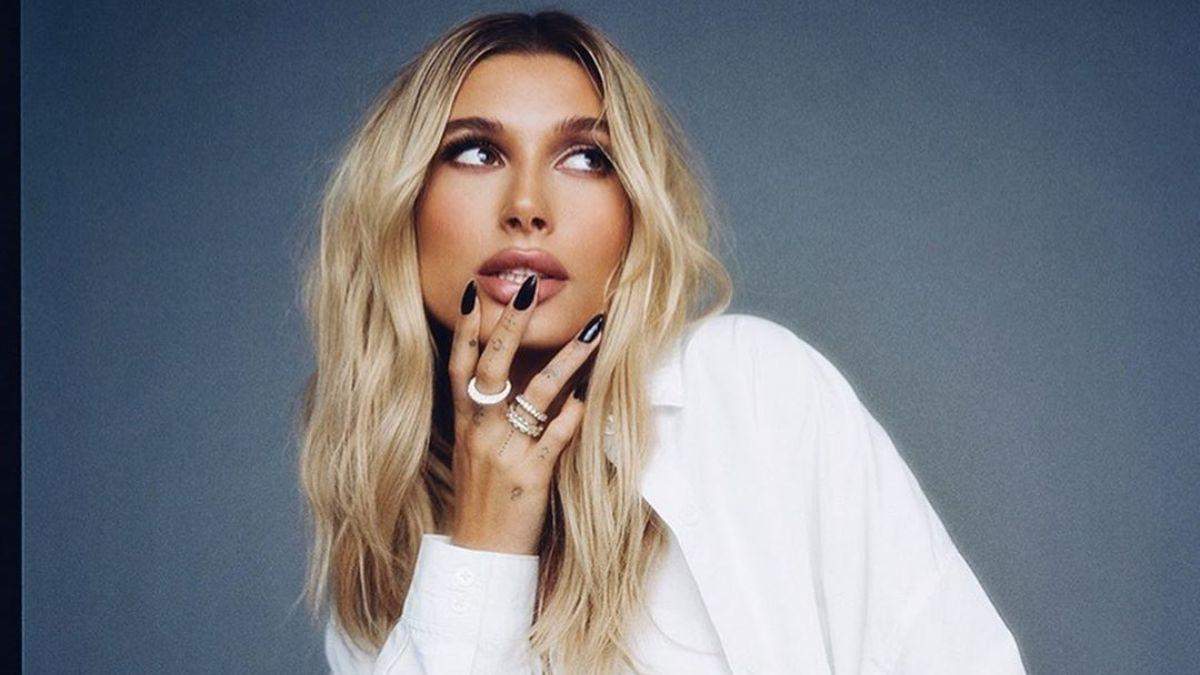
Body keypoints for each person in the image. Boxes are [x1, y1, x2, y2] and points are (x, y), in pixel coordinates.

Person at [298, 10, 1027, 675]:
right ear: (403, 204)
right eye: (476, 152)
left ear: (634, 214)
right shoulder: (384, 573)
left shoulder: (747, 392)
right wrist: (482, 550)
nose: (526, 207)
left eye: (586, 158)